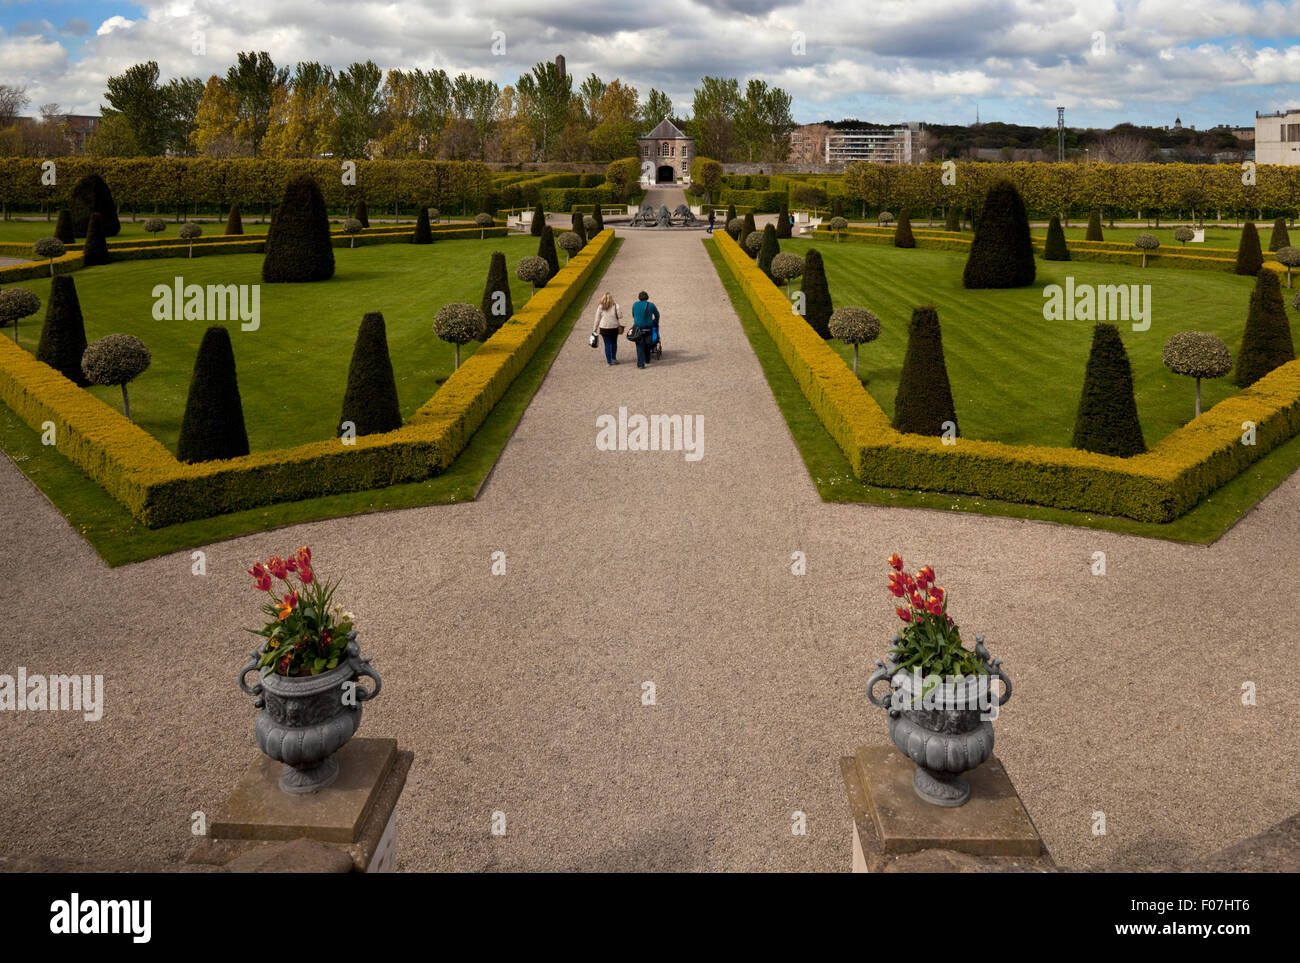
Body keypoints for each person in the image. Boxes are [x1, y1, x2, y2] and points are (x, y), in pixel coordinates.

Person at [631, 291, 659, 368]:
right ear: (647, 297)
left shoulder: (635, 305)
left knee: (639, 346)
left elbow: (633, 315)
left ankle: (640, 364)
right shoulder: (651, 305)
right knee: (648, 344)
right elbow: (657, 314)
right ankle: (647, 359)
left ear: (639, 297)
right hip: (648, 327)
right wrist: (655, 321)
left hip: (638, 328)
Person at [592, 292, 622, 365]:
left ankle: (609, 361)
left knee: (607, 344)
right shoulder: (616, 306)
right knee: (614, 343)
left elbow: (597, 318)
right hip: (614, 327)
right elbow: (620, 316)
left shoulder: (600, 307)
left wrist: (594, 328)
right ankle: (614, 358)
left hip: (604, 327)